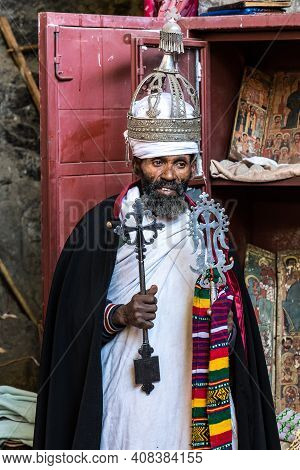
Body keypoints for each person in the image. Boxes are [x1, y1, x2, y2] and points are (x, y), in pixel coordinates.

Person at [33, 15, 280, 451]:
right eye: (157, 162)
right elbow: (69, 327)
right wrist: (120, 315)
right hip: (126, 384)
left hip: (198, 381)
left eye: (180, 163)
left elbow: (238, 312)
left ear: (192, 167)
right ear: (137, 164)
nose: (169, 175)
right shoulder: (100, 225)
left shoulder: (209, 223)